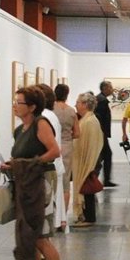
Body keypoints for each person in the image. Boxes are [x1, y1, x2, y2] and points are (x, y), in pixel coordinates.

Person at [4, 86, 71, 260]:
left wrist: (30, 163)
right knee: (30, 236)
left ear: (32, 107)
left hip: (41, 186)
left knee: (41, 237)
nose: (15, 106)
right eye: (15, 101)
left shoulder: (40, 124)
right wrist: (13, 165)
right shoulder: (19, 130)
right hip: (26, 185)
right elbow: (23, 155)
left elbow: (54, 151)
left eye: (19, 102)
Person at [37, 84, 67, 232]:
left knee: (49, 205)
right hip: (55, 165)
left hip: (49, 166)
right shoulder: (50, 115)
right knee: (55, 200)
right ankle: (58, 223)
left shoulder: (45, 117)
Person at [71, 91, 104, 226]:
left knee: (86, 187)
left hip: (87, 161)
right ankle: (85, 215)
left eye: (78, 103)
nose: (75, 105)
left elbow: (89, 144)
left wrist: (88, 163)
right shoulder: (87, 120)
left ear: (85, 104)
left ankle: (89, 217)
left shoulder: (89, 121)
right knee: (85, 187)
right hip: (84, 159)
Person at [52, 83, 79, 222]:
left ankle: (54, 215)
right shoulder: (71, 111)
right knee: (65, 182)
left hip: (53, 145)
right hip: (67, 146)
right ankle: (63, 219)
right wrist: (68, 136)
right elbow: (77, 133)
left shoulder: (51, 110)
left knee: (52, 179)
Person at [94, 80, 117, 187]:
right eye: (110, 87)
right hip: (100, 133)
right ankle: (102, 180)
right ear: (105, 89)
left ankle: (102, 179)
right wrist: (102, 133)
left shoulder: (100, 99)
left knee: (103, 156)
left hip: (100, 133)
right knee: (105, 155)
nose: (112, 89)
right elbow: (100, 118)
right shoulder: (102, 100)